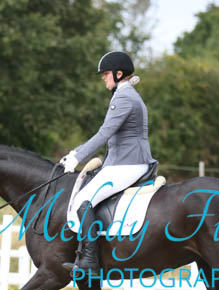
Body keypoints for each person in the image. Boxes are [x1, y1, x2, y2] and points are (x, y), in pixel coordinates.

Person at [60, 51, 157, 275]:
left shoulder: (124, 97)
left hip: (128, 163)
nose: (103, 78)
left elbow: (105, 133)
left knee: (83, 200)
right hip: (125, 161)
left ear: (118, 73)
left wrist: (77, 156)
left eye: (105, 74)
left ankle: (89, 261)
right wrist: (76, 152)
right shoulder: (126, 94)